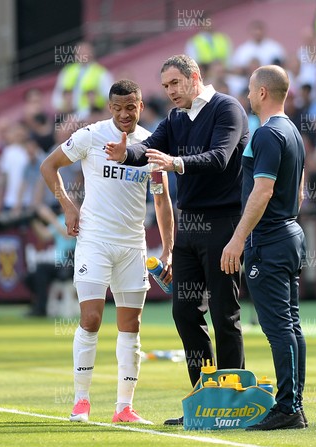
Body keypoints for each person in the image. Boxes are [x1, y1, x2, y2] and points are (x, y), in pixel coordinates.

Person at [105, 55, 249, 426]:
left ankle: (232, 404)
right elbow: (149, 148)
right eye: (165, 86)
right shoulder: (174, 119)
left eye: (174, 84)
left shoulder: (227, 109)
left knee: (224, 313)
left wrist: (175, 163)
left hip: (224, 222)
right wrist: (127, 154)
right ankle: (204, 400)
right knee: (185, 313)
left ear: (194, 78)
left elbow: (220, 158)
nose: (169, 92)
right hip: (190, 226)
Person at [40, 79, 174, 424]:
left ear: (141, 106)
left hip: (132, 245)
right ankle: (81, 401)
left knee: (132, 326)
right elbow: (48, 166)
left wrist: (169, 248)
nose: (124, 114)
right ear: (109, 107)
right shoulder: (91, 135)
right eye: (117, 108)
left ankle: (124, 408)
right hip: (95, 241)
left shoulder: (151, 145)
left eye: (131, 107)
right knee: (92, 319)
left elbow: (161, 199)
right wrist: (68, 206)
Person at [221, 65, 307, 430]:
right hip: (288, 232)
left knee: (278, 327)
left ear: (262, 93)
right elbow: (299, 193)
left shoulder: (269, 134)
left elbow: (263, 189)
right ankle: (293, 404)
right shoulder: (292, 132)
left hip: (269, 240)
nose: (247, 95)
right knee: (291, 325)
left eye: (250, 89)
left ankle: (288, 406)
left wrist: (238, 239)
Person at [24, 204, 76, 317]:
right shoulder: (61, 219)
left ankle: (41, 309)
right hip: (58, 265)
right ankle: (40, 305)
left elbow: (68, 235)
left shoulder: (79, 219)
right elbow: (44, 236)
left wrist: (49, 217)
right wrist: (33, 220)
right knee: (30, 277)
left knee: (41, 269)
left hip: (70, 265)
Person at [51, 41, 114, 116]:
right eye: (79, 52)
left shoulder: (101, 73)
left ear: (92, 53)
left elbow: (110, 98)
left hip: (93, 113)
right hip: (69, 113)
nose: (82, 54)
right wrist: (65, 106)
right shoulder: (67, 71)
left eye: (85, 51)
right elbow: (56, 99)